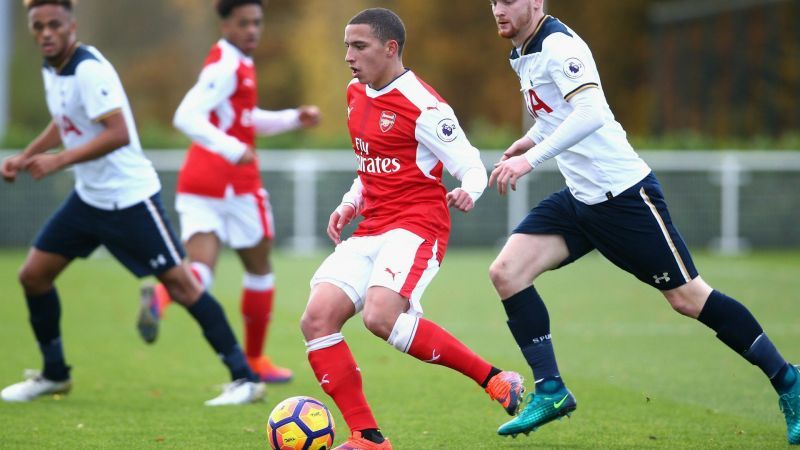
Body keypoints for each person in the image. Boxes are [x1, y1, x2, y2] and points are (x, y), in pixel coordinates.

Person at [486, 0, 799, 444]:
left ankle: (789, 381)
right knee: (506, 272)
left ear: (536, 1)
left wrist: (531, 160)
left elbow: (592, 111)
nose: (499, 8)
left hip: (624, 197)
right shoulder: (521, 51)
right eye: (494, 0)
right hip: (580, 200)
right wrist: (529, 139)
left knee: (689, 298)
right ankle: (551, 390)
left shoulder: (558, 45)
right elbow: (556, 112)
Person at [0, 0, 264, 406]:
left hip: (129, 199)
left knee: (183, 285)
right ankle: (54, 374)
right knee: (33, 275)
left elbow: (119, 132)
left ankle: (245, 379)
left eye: (54, 24)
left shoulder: (89, 69)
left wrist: (59, 161)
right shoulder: (53, 67)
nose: (46, 33)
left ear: (72, 24)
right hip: (89, 200)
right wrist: (27, 154)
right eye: (38, 26)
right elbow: (65, 119)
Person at [299, 8, 524, 450]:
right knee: (316, 319)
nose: (348, 56)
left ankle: (495, 379)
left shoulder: (425, 106)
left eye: (358, 46)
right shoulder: (355, 93)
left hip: (417, 226)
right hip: (372, 226)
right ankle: (367, 437)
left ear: (390, 48)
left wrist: (470, 192)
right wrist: (350, 203)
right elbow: (371, 165)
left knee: (380, 317)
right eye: (346, 45)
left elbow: (472, 165)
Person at [136, 0, 321, 384]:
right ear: (225, 25)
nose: (253, 30)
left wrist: (290, 118)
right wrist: (232, 149)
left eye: (257, 22)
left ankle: (160, 298)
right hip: (233, 182)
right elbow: (185, 116)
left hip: (197, 178)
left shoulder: (233, 61)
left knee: (200, 267)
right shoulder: (226, 65)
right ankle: (254, 360)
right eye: (244, 23)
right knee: (259, 267)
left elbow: (244, 121)